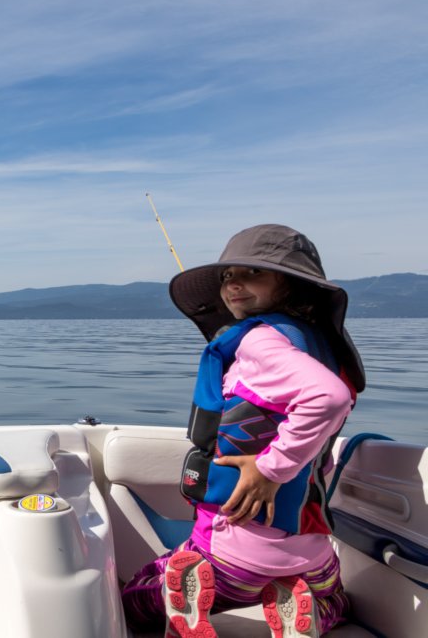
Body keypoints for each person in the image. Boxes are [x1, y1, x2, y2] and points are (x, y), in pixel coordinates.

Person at [121, 224, 366, 638]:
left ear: (290, 285)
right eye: (228, 276)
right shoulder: (316, 343)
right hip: (311, 553)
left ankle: (173, 591)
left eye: (253, 273)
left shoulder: (261, 343)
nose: (234, 284)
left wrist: (271, 468)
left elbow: (330, 396)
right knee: (337, 598)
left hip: (233, 554)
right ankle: (313, 609)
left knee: (136, 594)